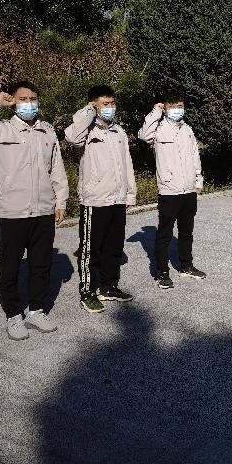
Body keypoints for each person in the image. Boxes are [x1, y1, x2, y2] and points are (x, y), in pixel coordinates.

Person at [0, 81, 69, 340]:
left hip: (43, 211)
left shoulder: (47, 131)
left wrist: (61, 201)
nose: (29, 103)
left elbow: (57, 170)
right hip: (11, 214)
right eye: (23, 99)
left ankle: (37, 311)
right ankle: (13, 315)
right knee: (9, 268)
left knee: (41, 266)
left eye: (33, 98)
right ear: (13, 102)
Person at [65, 85, 137, 313]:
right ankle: (87, 291)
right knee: (90, 250)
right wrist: (89, 111)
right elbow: (71, 137)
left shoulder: (119, 132)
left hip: (117, 199)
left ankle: (109, 286)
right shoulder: (86, 130)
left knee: (114, 246)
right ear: (94, 105)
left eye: (112, 103)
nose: (110, 107)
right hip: (95, 200)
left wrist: (130, 194)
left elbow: (127, 164)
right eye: (105, 103)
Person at [138, 93, 205, 289]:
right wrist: (155, 111)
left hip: (188, 189)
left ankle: (186, 266)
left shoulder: (187, 129)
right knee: (164, 234)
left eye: (180, 106)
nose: (177, 110)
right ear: (165, 108)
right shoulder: (158, 129)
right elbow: (143, 135)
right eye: (173, 106)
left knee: (186, 232)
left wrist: (198, 180)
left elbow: (195, 156)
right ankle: (162, 272)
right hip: (169, 190)